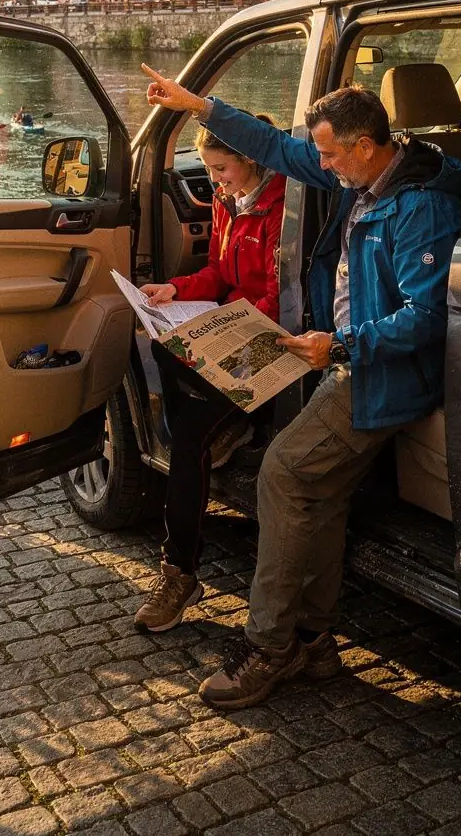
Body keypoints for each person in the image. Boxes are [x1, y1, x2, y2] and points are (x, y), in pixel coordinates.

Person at [142, 64, 461, 710]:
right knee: (318, 492)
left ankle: (271, 645)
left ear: (363, 147)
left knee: (284, 474)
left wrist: (338, 346)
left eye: (327, 154)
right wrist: (200, 107)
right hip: (347, 360)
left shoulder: (417, 203)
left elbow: (426, 319)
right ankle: (314, 641)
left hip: (377, 372)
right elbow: (278, 149)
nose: (318, 164)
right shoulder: (368, 172)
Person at [133, 117, 286, 635]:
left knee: (187, 437)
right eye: (211, 170)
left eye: (223, 170)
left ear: (253, 160)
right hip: (236, 324)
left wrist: (228, 322)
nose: (216, 181)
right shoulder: (228, 201)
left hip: (270, 336)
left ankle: (179, 574)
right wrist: (176, 291)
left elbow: (278, 297)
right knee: (159, 343)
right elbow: (219, 273)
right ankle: (222, 426)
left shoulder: (283, 205)